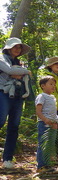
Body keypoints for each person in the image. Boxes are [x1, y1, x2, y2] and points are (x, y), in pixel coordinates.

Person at [0, 37, 32, 169]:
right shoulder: (2, 58)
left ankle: (7, 158)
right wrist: (24, 71)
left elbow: (19, 74)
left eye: (19, 47)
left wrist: (18, 70)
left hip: (18, 95)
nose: (17, 49)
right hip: (3, 92)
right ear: (8, 48)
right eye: (15, 47)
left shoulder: (19, 62)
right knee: (1, 120)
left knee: (14, 126)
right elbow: (10, 71)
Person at [35, 76, 58, 170]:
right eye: (51, 84)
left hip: (53, 124)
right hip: (44, 124)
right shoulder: (41, 96)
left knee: (50, 145)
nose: (53, 86)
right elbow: (38, 111)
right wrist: (45, 120)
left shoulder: (52, 97)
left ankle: (47, 164)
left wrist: (55, 122)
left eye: (54, 84)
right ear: (43, 86)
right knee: (43, 144)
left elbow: (53, 112)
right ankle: (41, 165)